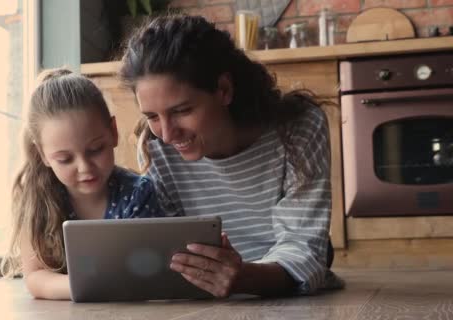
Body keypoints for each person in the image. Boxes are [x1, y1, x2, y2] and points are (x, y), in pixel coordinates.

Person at [120, 14, 343, 297]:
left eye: (181, 111)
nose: (167, 134)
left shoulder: (298, 128)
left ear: (223, 89)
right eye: (152, 116)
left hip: (283, 291)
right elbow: (170, 250)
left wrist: (244, 278)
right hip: (203, 297)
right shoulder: (156, 146)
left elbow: (305, 250)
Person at [0, 68, 164, 300]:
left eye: (96, 149)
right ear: (42, 154)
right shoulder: (35, 198)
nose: (85, 167)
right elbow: (36, 277)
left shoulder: (140, 193)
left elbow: (150, 270)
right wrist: (93, 287)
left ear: (113, 132)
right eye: (65, 159)